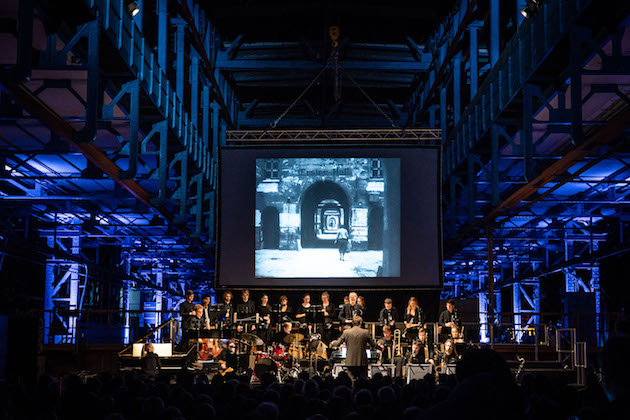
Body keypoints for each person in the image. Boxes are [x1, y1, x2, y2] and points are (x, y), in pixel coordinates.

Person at [330, 316, 377, 380]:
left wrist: (331, 343)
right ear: (360, 323)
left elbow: (338, 343)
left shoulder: (346, 332)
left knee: (351, 381)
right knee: (363, 381)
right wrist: (380, 348)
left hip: (350, 361)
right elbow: (373, 344)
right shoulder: (365, 332)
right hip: (362, 361)